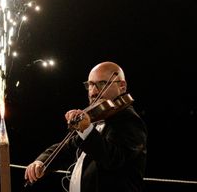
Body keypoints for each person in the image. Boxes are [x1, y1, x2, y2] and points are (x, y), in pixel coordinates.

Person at [24, 61, 147, 191]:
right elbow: (68, 147)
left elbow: (113, 159)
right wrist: (42, 162)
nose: (94, 92)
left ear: (122, 86)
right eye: (90, 85)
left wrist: (86, 129)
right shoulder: (99, 117)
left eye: (102, 83)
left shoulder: (129, 120)